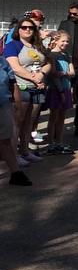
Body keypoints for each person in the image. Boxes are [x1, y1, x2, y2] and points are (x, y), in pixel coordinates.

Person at [4, 17, 49, 164]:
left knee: (29, 122)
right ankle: (14, 155)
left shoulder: (38, 45)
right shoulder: (13, 45)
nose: (27, 30)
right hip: (21, 87)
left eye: (31, 27)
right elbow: (14, 67)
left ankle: (25, 151)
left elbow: (48, 62)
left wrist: (42, 74)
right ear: (18, 30)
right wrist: (34, 78)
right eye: (24, 27)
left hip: (37, 89)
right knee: (17, 122)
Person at [57, 2, 78, 138]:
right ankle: (56, 128)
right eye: (70, 13)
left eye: (75, 14)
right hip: (66, 65)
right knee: (61, 96)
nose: (72, 15)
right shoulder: (65, 24)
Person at [2, 54, 30, 185]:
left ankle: (15, 173)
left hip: (3, 105)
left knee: (5, 140)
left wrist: (17, 103)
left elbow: (13, 83)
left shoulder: (3, 62)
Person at [46, 31, 75, 154]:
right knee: (53, 117)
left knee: (62, 117)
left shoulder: (66, 55)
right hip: (56, 89)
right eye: (63, 41)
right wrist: (60, 91)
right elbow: (54, 74)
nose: (65, 43)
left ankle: (59, 142)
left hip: (66, 87)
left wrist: (63, 73)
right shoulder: (52, 55)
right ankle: (51, 143)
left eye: (67, 41)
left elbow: (72, 73)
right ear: (56, 41)